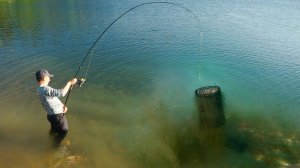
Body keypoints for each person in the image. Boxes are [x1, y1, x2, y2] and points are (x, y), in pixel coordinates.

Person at [36, 69, 77, 147]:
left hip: (51, 116)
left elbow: (52, 98)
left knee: (54, 130)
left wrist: (62, 105)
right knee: (63, 132)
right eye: (48, 77)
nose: (50, 79)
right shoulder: (46, 89)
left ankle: (50, 140)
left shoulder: (39, 90)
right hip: (58, 117)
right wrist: (70, 83)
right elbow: (62, 93)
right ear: (44, 78)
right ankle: (54, 149)